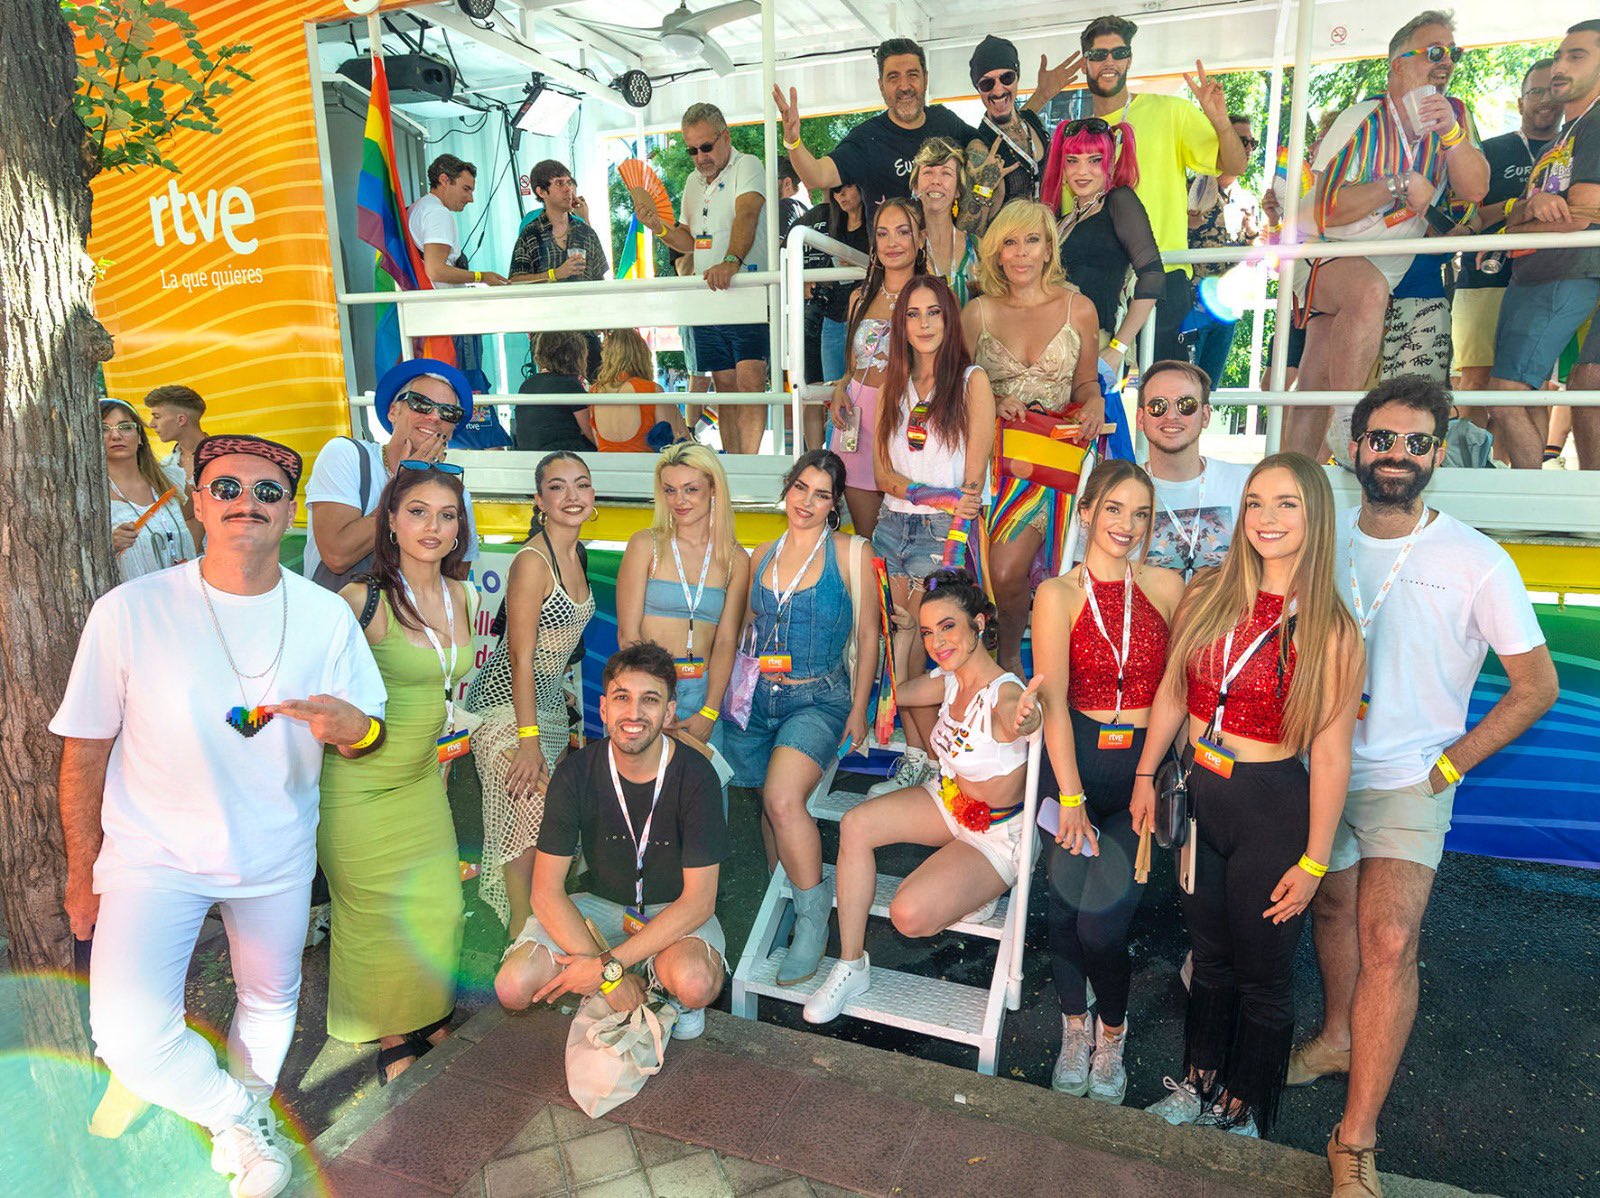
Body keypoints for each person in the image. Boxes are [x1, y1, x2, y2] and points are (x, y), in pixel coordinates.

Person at [53, 434, 387, 1198]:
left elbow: (369, 731)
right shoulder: (129, 610)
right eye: (227, 487)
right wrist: (80, 871)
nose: (248, 502)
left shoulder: (324, 616)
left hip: (275, 852)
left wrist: (354, 729)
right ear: (197, 504)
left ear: (290, 511)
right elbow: (85, 750)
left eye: (268, 492)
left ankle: (246, 1134)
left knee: (269, 1003)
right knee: (129, 1036)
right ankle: (238, 1116)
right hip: (153, 857)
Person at [1285, 377, 1558, 1195]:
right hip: (1318, 770)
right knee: (1330, 909)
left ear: (1438, 454)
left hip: (1413, 778)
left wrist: (1449, 765)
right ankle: (1337, 1037)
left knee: (1391, 939)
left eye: (1415, 443)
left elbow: (1536, 686)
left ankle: (1355, 1140)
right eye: (1382, 439)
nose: (1397, 455)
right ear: (1353, 448)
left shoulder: (1477, 560)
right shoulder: (1318, 537)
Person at [1135, 452, 1365, 1141]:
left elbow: (1332, 754)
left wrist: (1315, 861)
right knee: (1208, 955)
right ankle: (1200, 1082)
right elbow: (1173, 692)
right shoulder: (1208, 592)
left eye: (1286, 503)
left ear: (1315, 516)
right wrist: (1145, 776)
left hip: (1271, 809)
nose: (1266, 517)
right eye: (1256, 502)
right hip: (1198, 793)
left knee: (1263, 972)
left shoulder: (1331, 629)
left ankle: (1244, 1107)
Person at [803, 569, 1043, 1024]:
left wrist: (1027, 718)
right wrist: (907, 634)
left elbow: (1018, 716)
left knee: (908, 916)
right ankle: (851, 965)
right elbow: (901, 691)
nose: (937, 642)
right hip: (949, 801)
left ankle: (980, 885)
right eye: (931, 632)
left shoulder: (1004, 693)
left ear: (978, 623)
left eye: (947, 627)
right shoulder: (950, 678)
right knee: (855, 824)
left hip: (996, 835)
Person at [1030, 461, 1184, 1103]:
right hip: (1075, 765)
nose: (1127, 524)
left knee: (1103, 926)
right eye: (1114, 509)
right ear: (1087, 511)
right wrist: (1070, 796)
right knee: (1065, 910)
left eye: (1140, 513)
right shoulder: (1056, 594)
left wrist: (1162, 773)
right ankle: (1074, 1027)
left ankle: (1112, 1033)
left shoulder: (1168, 586)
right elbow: (1052, 702)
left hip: (1140, 772)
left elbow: (1179, 689)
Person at [320, 466, 475, 1084]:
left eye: (446, 514)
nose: (432, 526)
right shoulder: (361, 601)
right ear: (389, 521)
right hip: (357, 784)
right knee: (375, 913)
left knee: (439, 905)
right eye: (417, 511)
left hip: (421, 780)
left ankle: (427, 1012)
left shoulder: (464, 596)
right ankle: (391, 1033)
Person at [493, 643, 728, 1042]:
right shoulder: (575, 772)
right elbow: (545, 893)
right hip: (599, 906)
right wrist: (609, 977)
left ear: (669, 712)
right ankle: (619, 985)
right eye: (622, 698)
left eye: (650, 700)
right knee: (513, 986)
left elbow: (699, 902)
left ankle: (664, 989)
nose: (634, 713)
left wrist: (607, 968)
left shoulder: (697, 775)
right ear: (603, 709)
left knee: (695, 983)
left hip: (672, 909)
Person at [1283, 11, 1488, 460]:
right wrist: (1397, 184)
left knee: (1316, 373)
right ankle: (1349, 424)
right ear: (1398, 64)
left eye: (1454, 53)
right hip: (1324, 249)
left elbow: (1476, 190)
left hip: (1389, 262)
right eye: (1435, 52)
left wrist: (1452, 135)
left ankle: (1294, 477)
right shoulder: (1361, 118)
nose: (1447, 62)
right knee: (1368, 292)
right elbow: (1324, 211)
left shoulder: (1456, 116)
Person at [724, 451, 878, 987]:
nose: (807, 502)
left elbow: (869, 637)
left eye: (821, 494)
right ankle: (785, 905)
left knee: (783, 800)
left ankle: (814, 921)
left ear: (835, 505)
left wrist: (859, 708)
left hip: (819, 698)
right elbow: (743, 630)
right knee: (770, 813)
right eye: (800, 488)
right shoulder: (761, 554)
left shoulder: (851, 552)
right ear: (786, 489)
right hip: (758, 699)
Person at [1032, 15, 1248, 363]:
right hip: (1095, 286)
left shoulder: (1171, 111)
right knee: (1091, 392)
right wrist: (1040, 96)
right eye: (1098, 55)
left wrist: (1222, 123)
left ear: (1130, 59)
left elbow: (1234, 166)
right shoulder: (1076, 136)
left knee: (1165, 388)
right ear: (1085, 62)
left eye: (1118, 53)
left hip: (1162, 278)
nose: (1109, 62)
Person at [962, 200, 1103, 674]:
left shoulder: (1079, 308)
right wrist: (990, 398)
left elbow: (1085, 383)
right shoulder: (977, 312)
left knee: (1010, 569)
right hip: (991, 462)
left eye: (1032, 240)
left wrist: (1096, 402)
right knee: (993, 571)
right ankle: (1000, 655)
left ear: (1048, 249)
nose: (1021, 252)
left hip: (1054, 459)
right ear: (996, 253)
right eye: (1010, 242)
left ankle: (1010, 659)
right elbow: (954, 385)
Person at [870, 276, 995, 796]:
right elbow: (882, 474)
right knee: (894, 645)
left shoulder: (971, 381)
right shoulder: (892, 384)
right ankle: (917, 759)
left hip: (943, 533)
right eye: (913, 314)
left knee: (924, 651)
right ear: (901, 324)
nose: (923, 324)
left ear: (949, 318)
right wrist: (929, 494)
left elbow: (972, 485)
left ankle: (930, 761)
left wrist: (944, 512)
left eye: (933, 312)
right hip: (891, 526)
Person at [466, 452, 597, 938]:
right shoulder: (531, 562)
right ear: (539, 500)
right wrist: (527, 739)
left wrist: (554, 711)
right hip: (504, 709)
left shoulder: (578, 554)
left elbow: (556, 650)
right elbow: (520, 658)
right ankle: (519, 934)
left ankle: (545, 931)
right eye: (558, 487)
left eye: (581, 484)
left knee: (552, 828)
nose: (572, 496)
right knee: (529, 814)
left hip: (548, 709)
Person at [1489, 21, 1600, 471]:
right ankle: (1545, 492)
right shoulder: (1565, 134)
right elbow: (1521, 209)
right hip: (1538, 271)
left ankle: (1540, 495)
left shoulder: (1595, 123)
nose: (1559, 67)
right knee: (1531, 392)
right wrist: (1528, 212)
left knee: (1507, 394)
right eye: (1558, 56)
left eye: (1576, 56)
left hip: (1567, 270)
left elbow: (1584, 212)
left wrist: (1518, 226)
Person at [636, 102, 769, 454]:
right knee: (724, 387)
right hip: (708, 298)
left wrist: (731, 261)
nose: (700, 157)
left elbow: (747, 214)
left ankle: (752, 466)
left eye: (706, 147)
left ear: (725, 137)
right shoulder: (692, 183)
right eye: (692, 150)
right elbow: (688, 240)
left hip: (747, 291)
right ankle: (736, 467)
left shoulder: (747, 165)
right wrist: (658, 227)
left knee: (750, 383)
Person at [617, 442, 750, 762]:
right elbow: (628, 635)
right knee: (648, 787)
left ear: (713, 489)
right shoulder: (645, 544)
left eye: (691, 489)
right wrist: (651, 699)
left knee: (706, 788)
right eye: (670, 490)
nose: (679, 500)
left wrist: (710, 711)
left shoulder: (734, 558)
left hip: (703, 693)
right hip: (648, 686)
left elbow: (726, 641)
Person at [1449, 60, 1559, 446]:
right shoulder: (1491, 151)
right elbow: (1467, 217)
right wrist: (1516, 207)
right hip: (1484, 278)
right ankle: (1471, 468)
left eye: (1553, 90)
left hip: (1547, 280)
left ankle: (1525, 473)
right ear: (1520, 100)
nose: (1545, 100)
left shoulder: (1576, 149)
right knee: (1475, 380)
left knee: (1532, 385)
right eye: (1536, 91)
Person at [303, 358, 481, 588]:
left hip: (408, 611)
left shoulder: (456, 492)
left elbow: (455, 577)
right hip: (342, 609)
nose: (435, 417)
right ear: (393, 411)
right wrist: (405, 482)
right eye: (421, 403)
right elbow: (337, 556)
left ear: (452, 429)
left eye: (449, 412)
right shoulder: (347, 455)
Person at [774, 38, 976, 216]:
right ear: (881, 86)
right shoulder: (867, 139)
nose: (904, 86)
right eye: (893, 77)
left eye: (912, 75)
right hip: (891, 249)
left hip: (947, 247)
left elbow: (981, 143)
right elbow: (817, 176)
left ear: (925, 78)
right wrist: (793, 141)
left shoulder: (945, 121)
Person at [830, 197, 929, 540]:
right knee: (866, 540)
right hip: (856, 426)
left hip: (905, 422)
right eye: (883, 234)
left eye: (903, 232)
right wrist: (840, 388)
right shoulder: (860, 297)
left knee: (909, 538)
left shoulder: (933, 297)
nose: (892, 243)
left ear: (921, 238)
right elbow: (852, 367)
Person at [1042, 117, 1165, 376]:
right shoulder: (1065, 219)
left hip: (1090, 346)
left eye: (1094, 160)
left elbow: (1152, 275)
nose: (1082, 171)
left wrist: (1117, 348)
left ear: (1109, 163)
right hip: (1049, 348)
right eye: (1072, 160)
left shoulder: (1119, 201)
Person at [1135, 360, 1253, 576]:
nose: (1171, 415)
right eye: (1158, 406)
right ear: (1141, 419)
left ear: (1205, 416)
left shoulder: (1244, 485)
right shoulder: (1120, 490)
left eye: (1186, 405)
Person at [963, 35, 1076, 227]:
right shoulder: (979, 147)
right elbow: (969, 226)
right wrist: (984, 187)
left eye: (1006, 78)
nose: (998, 90)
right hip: (1013, 243)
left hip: (1054, 237)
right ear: (978, 89)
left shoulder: (1031, 120)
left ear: (1017, 77)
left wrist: (1042, 93)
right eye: (987, 84)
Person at [1186, 114, 1264, 386]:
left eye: (1252, 143)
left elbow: (1257, 260)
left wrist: (1253, 234)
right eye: (1241, 141)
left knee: (1209, 389)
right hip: (1189, 306)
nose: (1248, 149)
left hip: (1227, 309)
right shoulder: (1188, 190)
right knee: (1184, 385)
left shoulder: (1248, 200)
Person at [101, 398, 199, 581]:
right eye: (103, 429)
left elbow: (195, 516)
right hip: (133, 595)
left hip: (184, 590)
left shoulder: (170, 479)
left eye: (125, 427)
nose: (115, 436)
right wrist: (109, 545)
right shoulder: (92, 494)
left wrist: (188, 551)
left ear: (140, 437)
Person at [408, 153, 507, 287]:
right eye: (466, 189)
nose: (471, 199)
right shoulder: (438, 212)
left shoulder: (419, 207)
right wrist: (481, 277)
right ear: (444, 180)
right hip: (441, 297)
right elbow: (436, 271)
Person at [507, 158, 610, 285]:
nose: (568, 189)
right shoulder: (530, 234)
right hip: (545, 299)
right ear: (541, 192)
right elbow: (515, 281)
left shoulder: (587, 233)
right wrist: (555, 274)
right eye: (559, 183)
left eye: (569, 183)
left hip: (584, 299)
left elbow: (600, 282)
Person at [586, 329, 686, 452]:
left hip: (605, 462)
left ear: (607, 356)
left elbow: (596, 440)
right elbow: (666, 442)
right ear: (642, 355)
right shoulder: (650, 390)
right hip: (645, 462)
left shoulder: (595, 391)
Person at [910, 138, 982, 305]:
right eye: (928, 172)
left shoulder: (978, 248)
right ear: (915, 186)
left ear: (957, 189)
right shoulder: (904, 247)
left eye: (946, 173)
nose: (936, 181)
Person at [818, 183, 869, 384]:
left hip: (865, 316)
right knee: (831, 389)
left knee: (862, 388)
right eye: (835, 190)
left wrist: (860, 264)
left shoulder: (875, 227)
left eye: (846, 186)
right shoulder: (833, 227)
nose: (840, 194)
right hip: (833, 317)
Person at [515, 330, 596, 453]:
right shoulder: (569, 384)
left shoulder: (526, 385)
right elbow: (591, 432)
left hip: (529, 454)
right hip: (560, 455)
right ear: (575, 355)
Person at [145, 383, 210, 480]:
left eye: (157, 417)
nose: (152, 424)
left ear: (181, 420)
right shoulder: (166, 465)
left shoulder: (223, 459)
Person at [777, 155, 810, 239]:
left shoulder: (785, 206)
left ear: (787, 183)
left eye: (769, 180)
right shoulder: (810, 213)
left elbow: (778, 246)